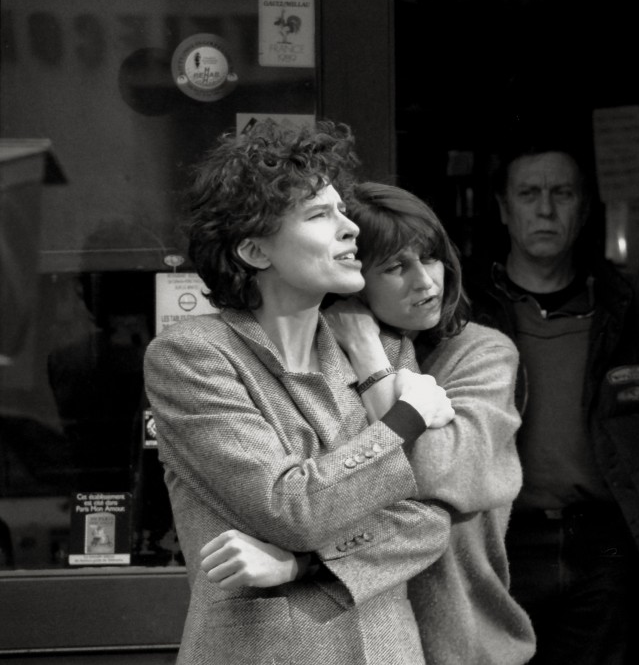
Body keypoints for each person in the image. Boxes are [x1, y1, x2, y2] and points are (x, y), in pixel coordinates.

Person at [143, 120, 456, 665]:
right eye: (319, 215)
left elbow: (431, 517)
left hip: (388, 649)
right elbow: (291, 507)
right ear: (255, 252)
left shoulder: (379, 350)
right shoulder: (193, 356)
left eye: (341, 210)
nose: (350, 228)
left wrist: (302, 566)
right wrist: (404, 420)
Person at [198, 182, 537, 665]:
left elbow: (438, 474)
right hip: (357, 633)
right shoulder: (307, 357)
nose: (426, 282)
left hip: (462, 640)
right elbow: (312, 499)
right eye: (397, 267)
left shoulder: (479, 352)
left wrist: (368, 353)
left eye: (432, 257)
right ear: (354, 276)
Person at [466, 122, 639, 665]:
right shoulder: (464, 310)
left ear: (585, 206)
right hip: (496, 543)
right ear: (503, 208)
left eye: (561, 193)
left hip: (607, 547)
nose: (545, 210)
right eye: (528, 194)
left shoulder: (637, 308)